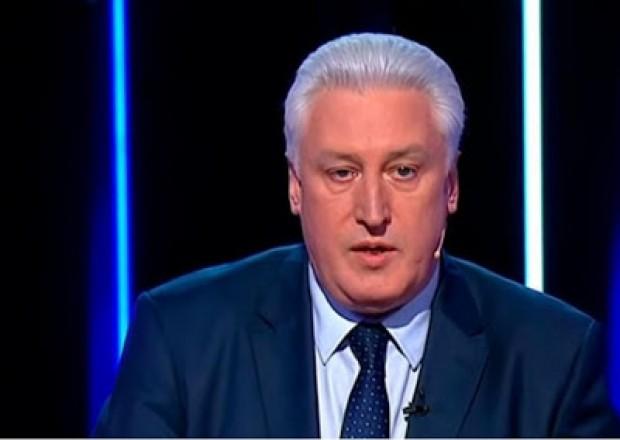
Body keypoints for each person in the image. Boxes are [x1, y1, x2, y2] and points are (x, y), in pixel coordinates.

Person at [94, 33, 619, 437]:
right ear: (296, 187)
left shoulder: (553, 360)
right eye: (342, 173)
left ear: (451, 186)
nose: (373, 212)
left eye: (403, 172)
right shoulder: (182, 339)